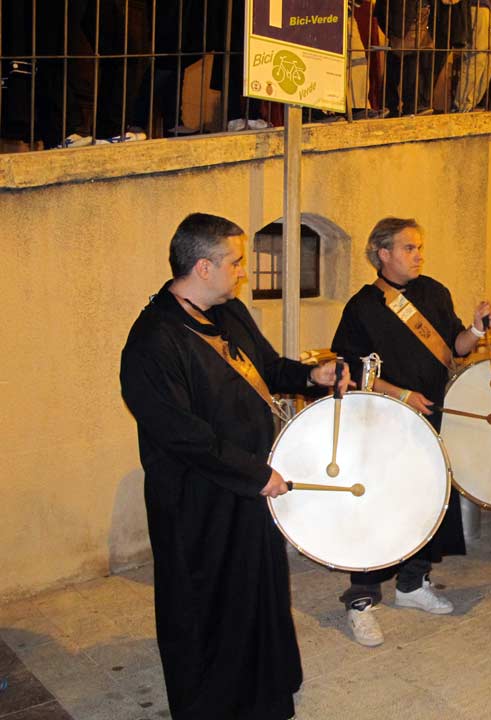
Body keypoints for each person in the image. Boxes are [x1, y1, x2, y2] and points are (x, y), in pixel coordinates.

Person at [120, 213, 349, 720]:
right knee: (208, 603)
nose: (242, 272)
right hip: (197, 502)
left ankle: (265, 687)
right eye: (235, 261)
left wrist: (313, 374)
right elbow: (183, 436)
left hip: (250, 484)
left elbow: (267, 369)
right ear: (203, 267)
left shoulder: (229, 312)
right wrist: (254, 474)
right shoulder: (153, 341)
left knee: (257, 586)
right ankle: (216, 703)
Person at [330, 216, 491, 647]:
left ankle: (412, 583)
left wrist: (477, 328)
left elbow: (456, 348)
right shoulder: (363, 307)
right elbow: (351, 371)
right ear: (382, 254)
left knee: (427, 499)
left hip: (435, 414)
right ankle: (363, 598)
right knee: (379, 504)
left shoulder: (434, 292)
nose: (418, 255)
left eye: (420, 247)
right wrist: (401, 395)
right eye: (409, 248)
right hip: (385, 420)